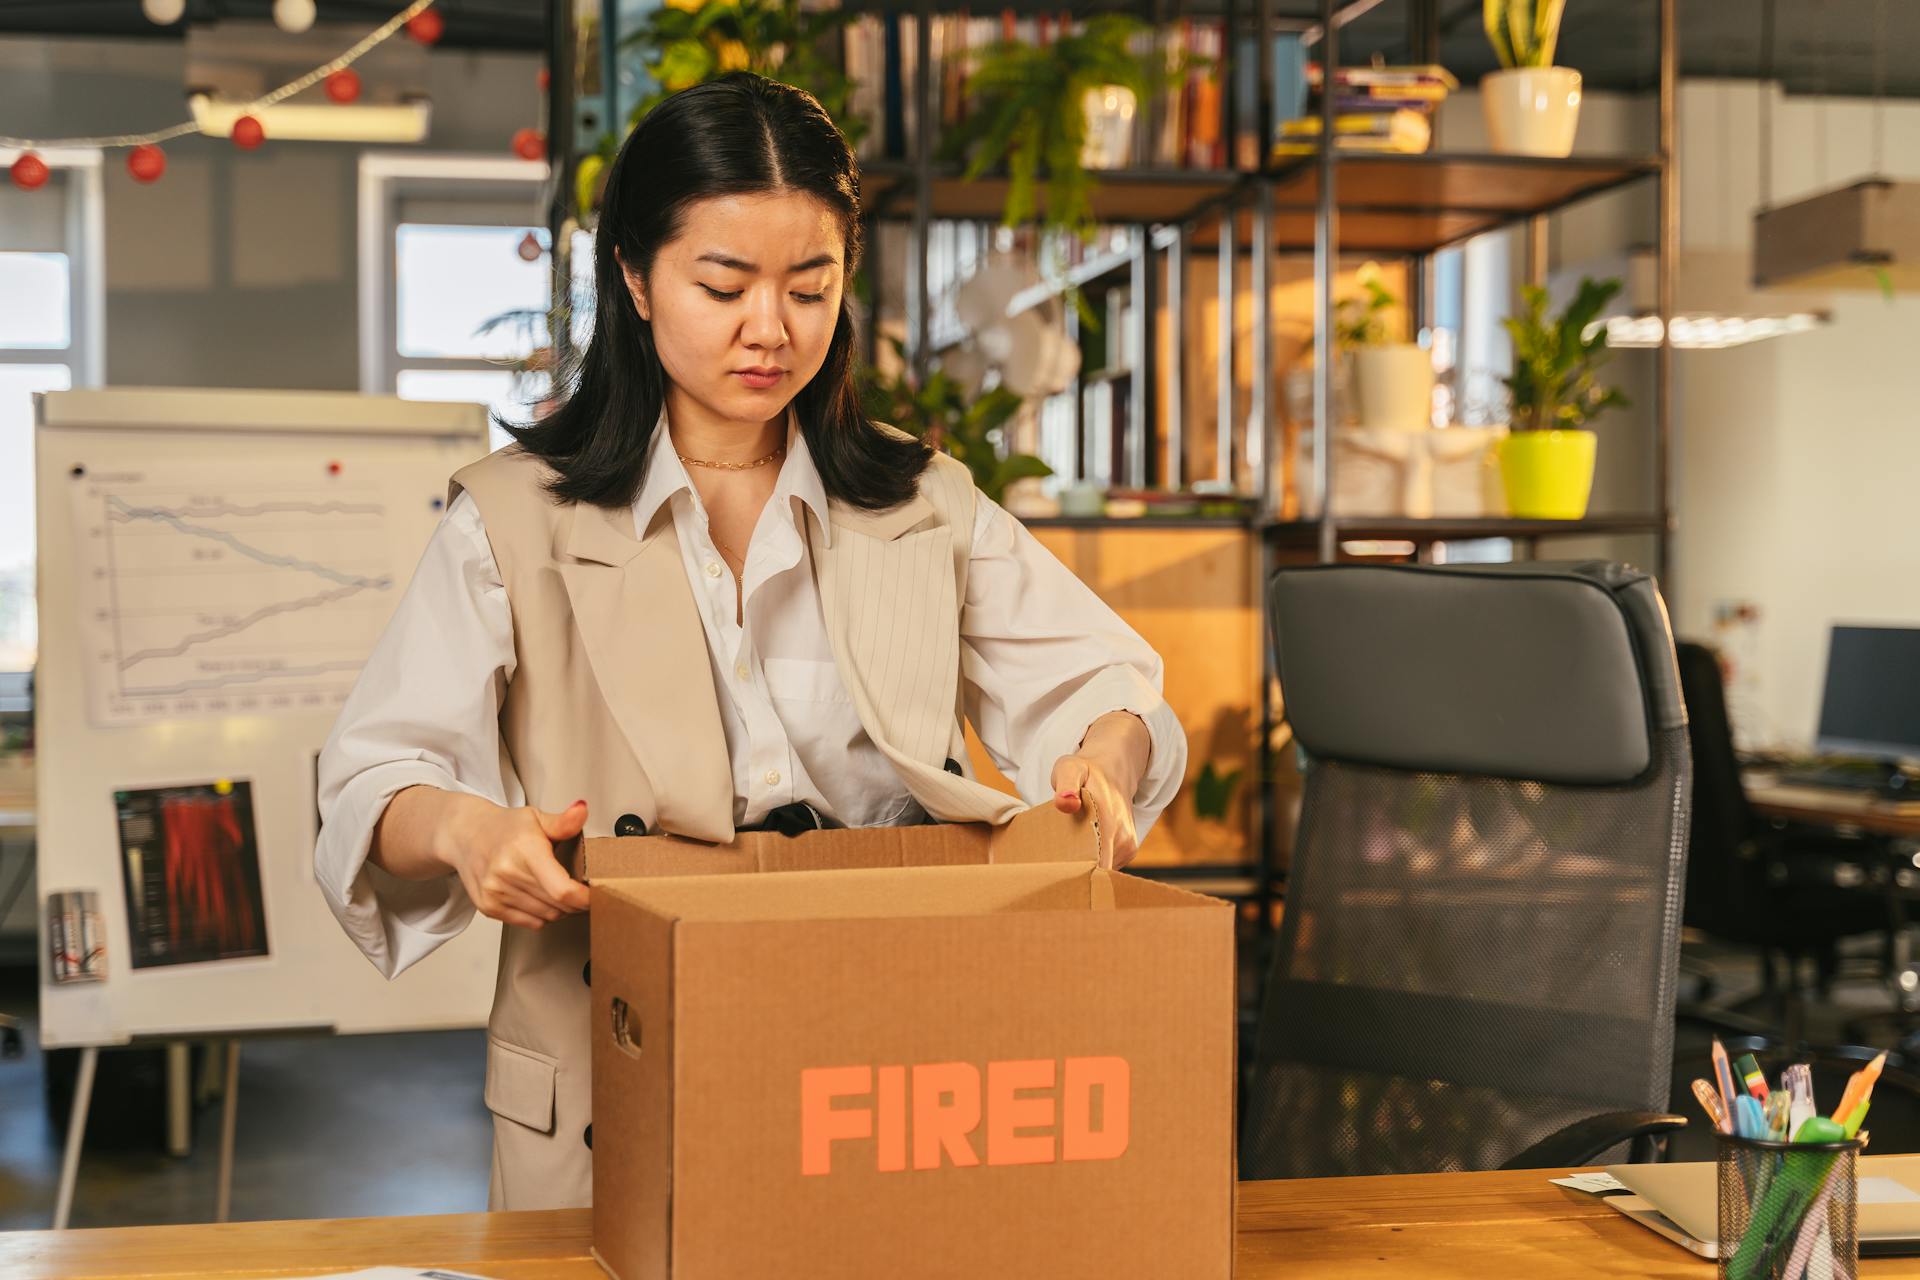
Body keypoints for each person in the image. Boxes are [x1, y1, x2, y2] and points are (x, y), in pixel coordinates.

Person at [314, 72, 1186, 1212]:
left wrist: (1101, 761)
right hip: (614, 1052)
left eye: (809, 288)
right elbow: (376, 774)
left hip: (897, 1052)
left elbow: (1104, 687)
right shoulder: (513, 517)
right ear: (632, 276)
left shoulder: (922, 502)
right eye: (723, 284)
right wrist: (472, 831)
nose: (770, 329)